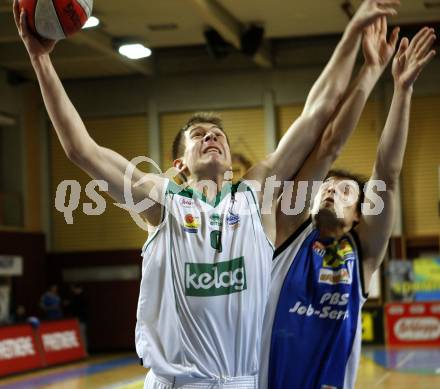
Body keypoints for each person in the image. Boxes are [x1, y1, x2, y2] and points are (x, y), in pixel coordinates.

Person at [13, 0, 400, 386]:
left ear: (231, 161)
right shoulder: (161, 201)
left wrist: (352, 35)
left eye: (218, 135)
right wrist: (40, 59)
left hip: (241, 381)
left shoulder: (256, 196)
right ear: (180, 165)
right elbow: (82, 150)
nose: (211, 136)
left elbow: (317, 112)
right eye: (198, 136)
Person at [261, 22, 437, 389]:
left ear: (360, 214)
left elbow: (386, 175)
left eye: (345, 192)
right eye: (326, 187)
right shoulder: (284, 231)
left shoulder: (363, 253)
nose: (330, 192)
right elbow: (325, 145)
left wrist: (402, 90)